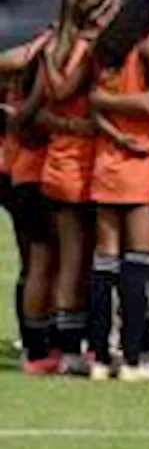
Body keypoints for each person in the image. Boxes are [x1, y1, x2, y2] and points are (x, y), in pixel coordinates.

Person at [85, 0, 149, 381]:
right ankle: (134, 359)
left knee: (105, 258)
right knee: (139, 260)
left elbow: (94, 105)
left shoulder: (105, 52)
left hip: (107, 160)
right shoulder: (146, 49)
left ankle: (101, 357)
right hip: (140, 160)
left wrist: (115, 134)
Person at [36, 0, 120, 373]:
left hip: (58, 160)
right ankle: (79, 349)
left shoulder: (56, 44)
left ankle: (71, 347)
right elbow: (63, 91)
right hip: (82, 164)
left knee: (71, 258)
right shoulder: (88, 49)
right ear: (100, 13)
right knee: (85, 260)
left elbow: (46, 103)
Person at [1, 28, 57, 371]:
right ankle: (41, 345)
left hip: (22, 172)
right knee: (45, 259)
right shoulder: (44, 52)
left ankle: (38, 343)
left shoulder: (35, 53)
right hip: (34, 172)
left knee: (38, 260)